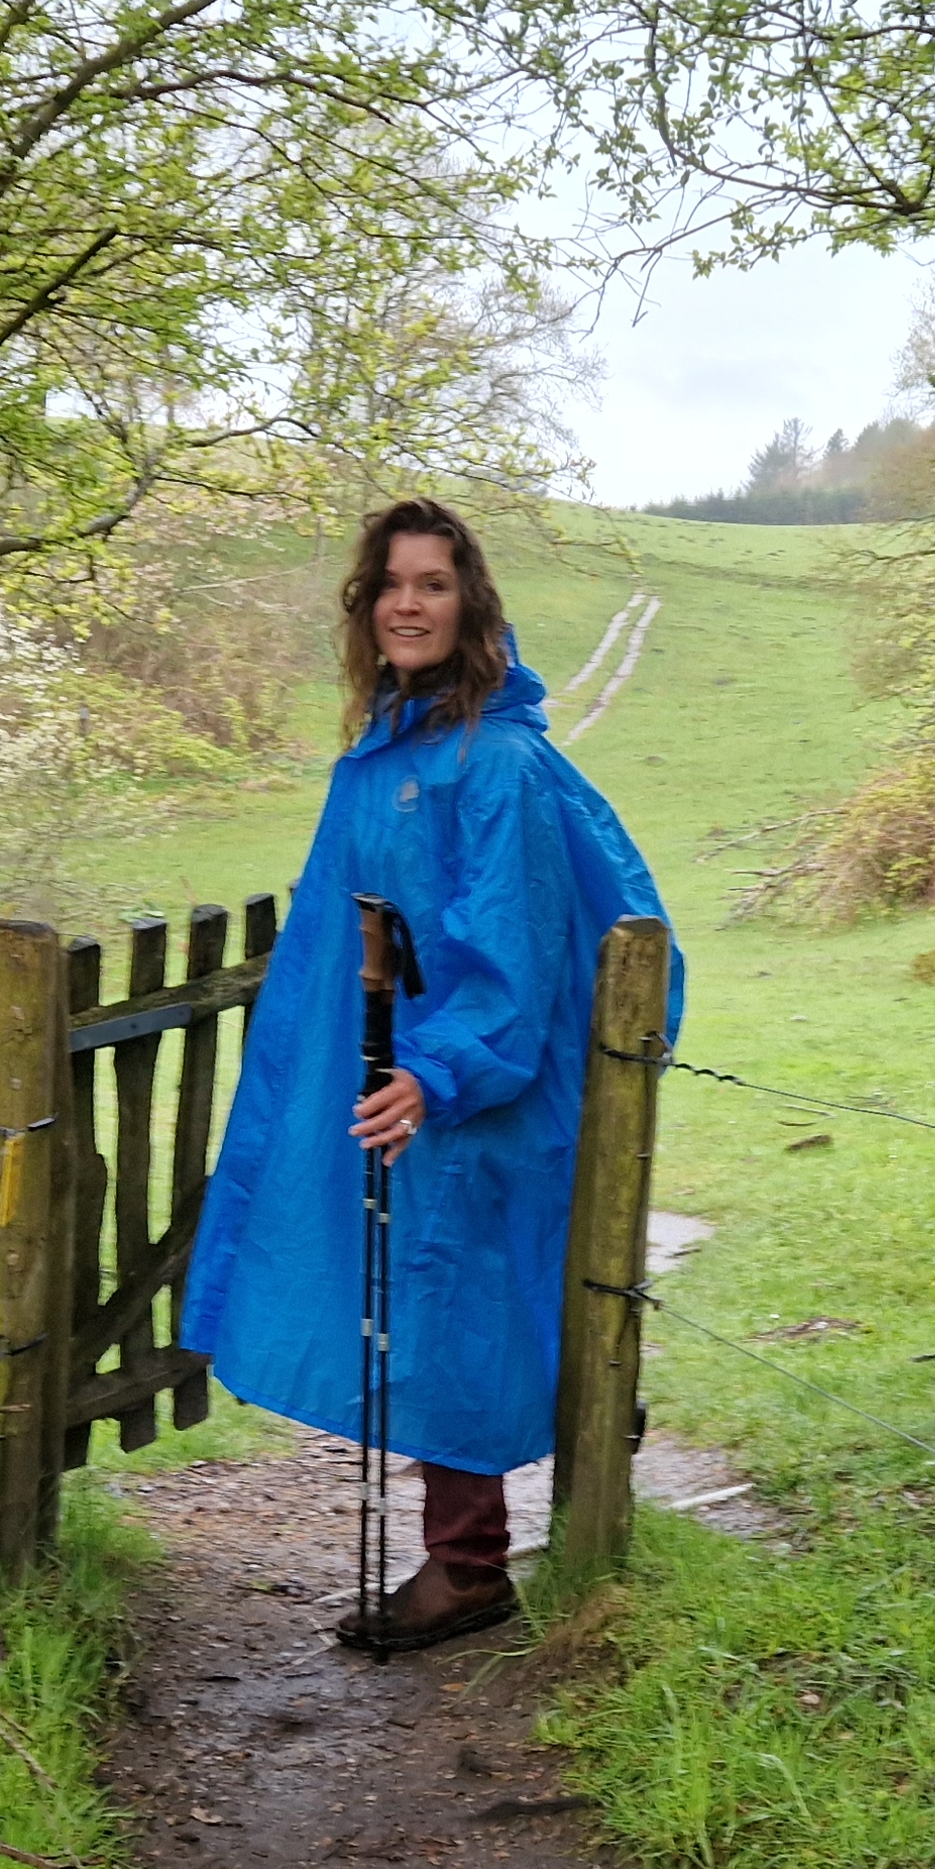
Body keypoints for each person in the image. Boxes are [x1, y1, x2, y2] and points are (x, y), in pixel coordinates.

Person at [181, 497, 683, 1652]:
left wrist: (440, 1074)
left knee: (455, 1300)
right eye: (391, 585)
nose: (409, 603)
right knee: (438, 1298)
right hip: (399, 1074)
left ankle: (468, 1568)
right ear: (367, 607)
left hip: (464, 1091)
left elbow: (510, 949)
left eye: (434, 584)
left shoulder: (492, 760)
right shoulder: (384, 749)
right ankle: (500, 1519)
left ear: (472, 606)